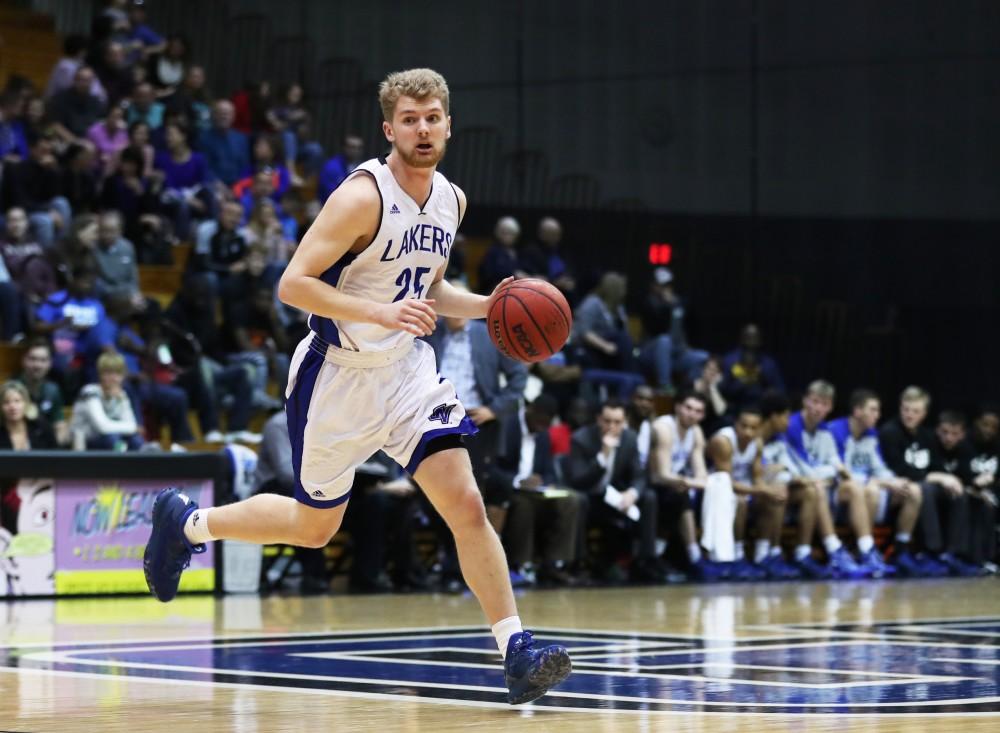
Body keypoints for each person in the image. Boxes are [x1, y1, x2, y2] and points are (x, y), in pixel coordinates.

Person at [143, 68, 570, 704]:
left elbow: (426, 289)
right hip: (335, 377)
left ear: (448, 125)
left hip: (405, 373)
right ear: (389, 128)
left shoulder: (451, 199)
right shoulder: (362, 196)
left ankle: (514, 647)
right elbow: (292, 284)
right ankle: (188, 524)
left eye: (432, 118)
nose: (421, 129)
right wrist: (377, 313)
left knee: (468, 505)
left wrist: (494, 305)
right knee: (315, 527)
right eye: (409, 119)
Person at [825, 389, 924, 576]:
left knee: (912, 490)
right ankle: (864, 551)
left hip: (868, 487)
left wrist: (894, 480)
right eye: (872, 410)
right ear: (857, 411)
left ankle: (900, 550)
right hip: (838, 493)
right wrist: (880, 482)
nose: (877, 415)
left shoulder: (871, 434)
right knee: (870, 490)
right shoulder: (835, 430)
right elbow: (841, 474)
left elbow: (879, 467)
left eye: (878, 410)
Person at [0, 381, 56, 451]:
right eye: (6, 402)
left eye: (17, 401)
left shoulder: (41, 428)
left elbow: (56, 456)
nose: (12, 407)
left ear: (26, 404)